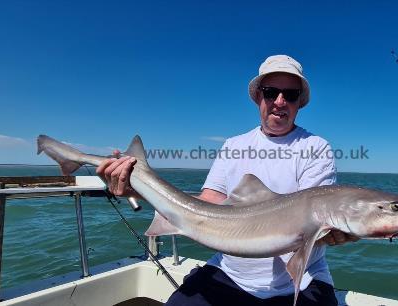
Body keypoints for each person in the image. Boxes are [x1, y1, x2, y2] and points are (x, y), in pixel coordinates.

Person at [96, 55, 358, 306]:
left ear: (299, 102)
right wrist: (136, 189)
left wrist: (331, 233)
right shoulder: (234, 145)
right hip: (230, 273)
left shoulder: (315, 147)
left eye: (290, 94)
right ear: (258, 96)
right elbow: (209, 202)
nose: (279, 101)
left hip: (301, 281)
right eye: (270, 92)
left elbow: (315, 219)